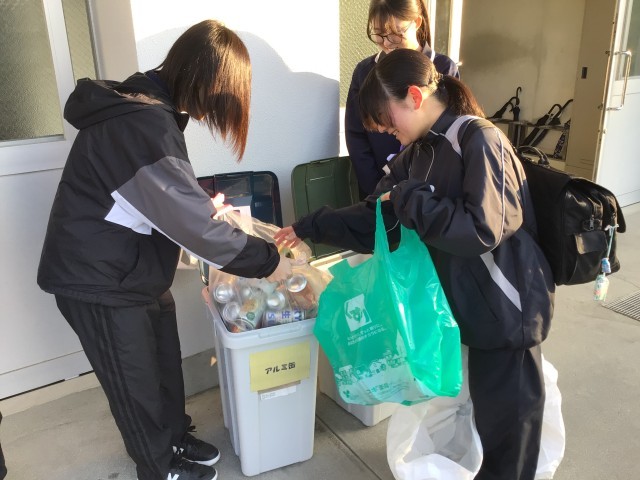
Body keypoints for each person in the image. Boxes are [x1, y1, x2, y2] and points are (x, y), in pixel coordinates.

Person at [275, 48, 555, 480]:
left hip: (507, 309)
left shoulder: (479, 139)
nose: (388, 133)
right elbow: (379, 215)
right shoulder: (419, 151)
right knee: (484, 422)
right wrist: (310, 225)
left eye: (388, 121)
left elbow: (483, 229)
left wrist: (411, 198)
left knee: (509, 438)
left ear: (414, 96)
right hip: (469, 308)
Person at [37, 20, 293, 480]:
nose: (218, 111)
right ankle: (158, 467)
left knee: (162, 365)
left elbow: (161, 200)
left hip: (131, 268)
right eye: (223, 97)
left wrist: (201, 207)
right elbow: (192, 225)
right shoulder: (142, 122)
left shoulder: (151, 108)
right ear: (205, 81)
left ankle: (173, 437)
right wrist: (269, 260)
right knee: (134, 382)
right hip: (98, 278)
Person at [346, 0, 459, 198]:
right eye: (379, 34)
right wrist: (376, 189)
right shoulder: (365, 71)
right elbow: (356, 134)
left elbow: (447, 134)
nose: (387, 43)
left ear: (416, 22)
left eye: (395, 34)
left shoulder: (442, 68)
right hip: (377, 185)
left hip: (427, 190)